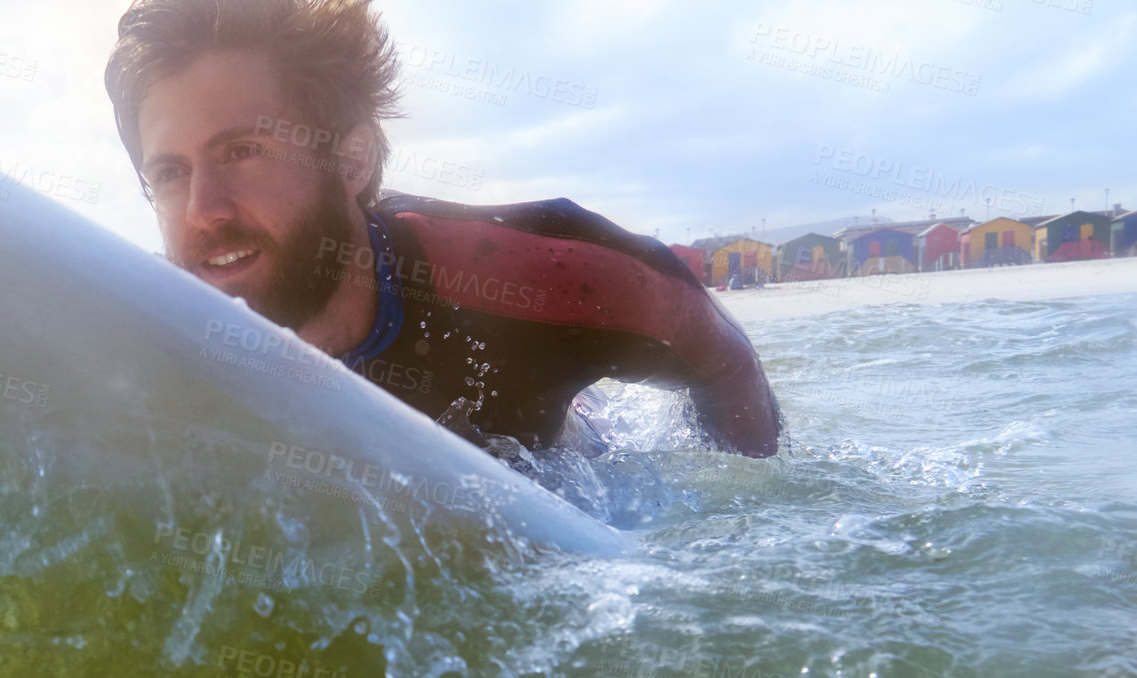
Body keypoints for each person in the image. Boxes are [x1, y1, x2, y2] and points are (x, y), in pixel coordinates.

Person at [104, 0, 783, 457]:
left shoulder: (539, 274)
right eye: (169, 172)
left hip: (575, 482)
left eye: (242, 152)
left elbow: (721, 359)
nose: (204, 210)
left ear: (352, 158)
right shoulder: (135, 341)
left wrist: (735, 521)